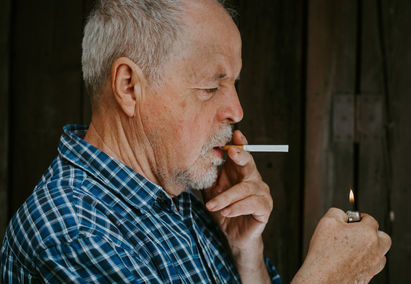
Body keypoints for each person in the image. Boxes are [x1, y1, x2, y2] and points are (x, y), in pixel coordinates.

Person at [0, 0, 391, 283]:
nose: (236, 110)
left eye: (233, 83)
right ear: (129, 87)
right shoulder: (73, 233)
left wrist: (246, 254)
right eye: (210, 87)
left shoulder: (184, 194)